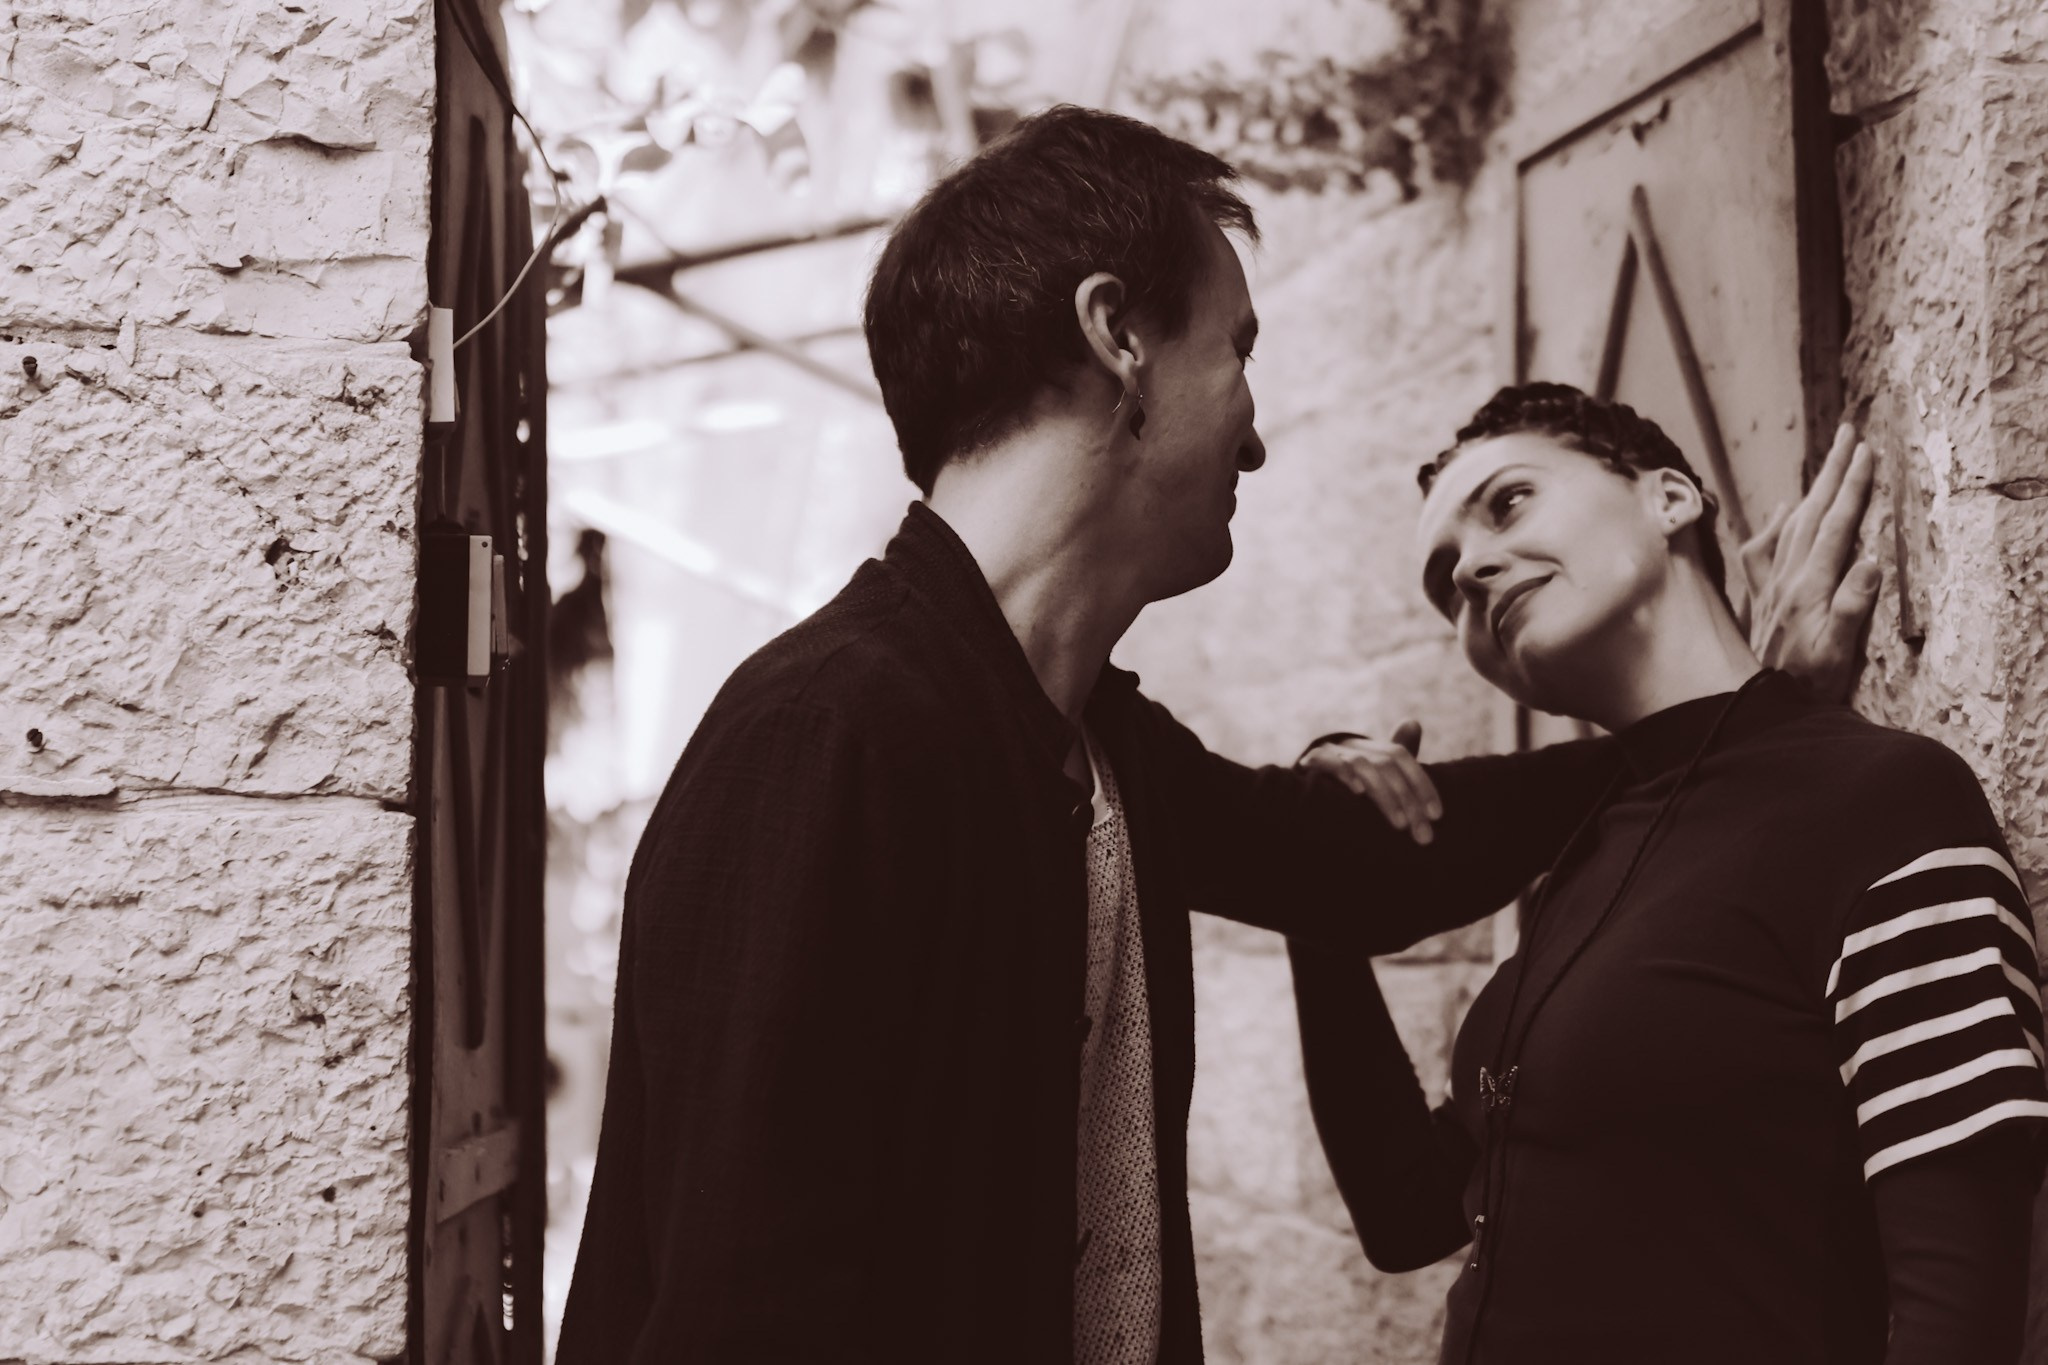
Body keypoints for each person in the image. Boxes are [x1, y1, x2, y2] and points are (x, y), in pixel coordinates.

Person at [554, 107, 1872, 1365]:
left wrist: (1753, 721)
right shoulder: (823, 733)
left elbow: (1360, 863)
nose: (1256, 431)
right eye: (1237, 349)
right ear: (1117, 333)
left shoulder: (1089, 743)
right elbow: (740, 1312)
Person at [1296, 383, 2046, 1365]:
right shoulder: (1583, 864)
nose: (1470, 568)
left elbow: (1957, 1303)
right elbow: (1405, 1214)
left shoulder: (1881, 801)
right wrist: (1312, 883)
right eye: (1444, 583)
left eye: (1507, 502)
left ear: (1668, 499)